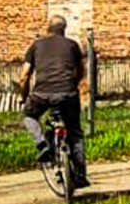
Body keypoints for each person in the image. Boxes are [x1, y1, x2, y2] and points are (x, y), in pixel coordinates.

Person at [18, 16, 90, 189]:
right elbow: (81, 71)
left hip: (42, 94)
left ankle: (41, 143)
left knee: (28, 115)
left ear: (47, 28)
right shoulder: (72, 45)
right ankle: (80, 175)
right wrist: (73, 83)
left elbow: (24, 76)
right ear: (63, 29)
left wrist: (23, 95)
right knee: (75, 133)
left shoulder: (36, 45)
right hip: (68, 94)